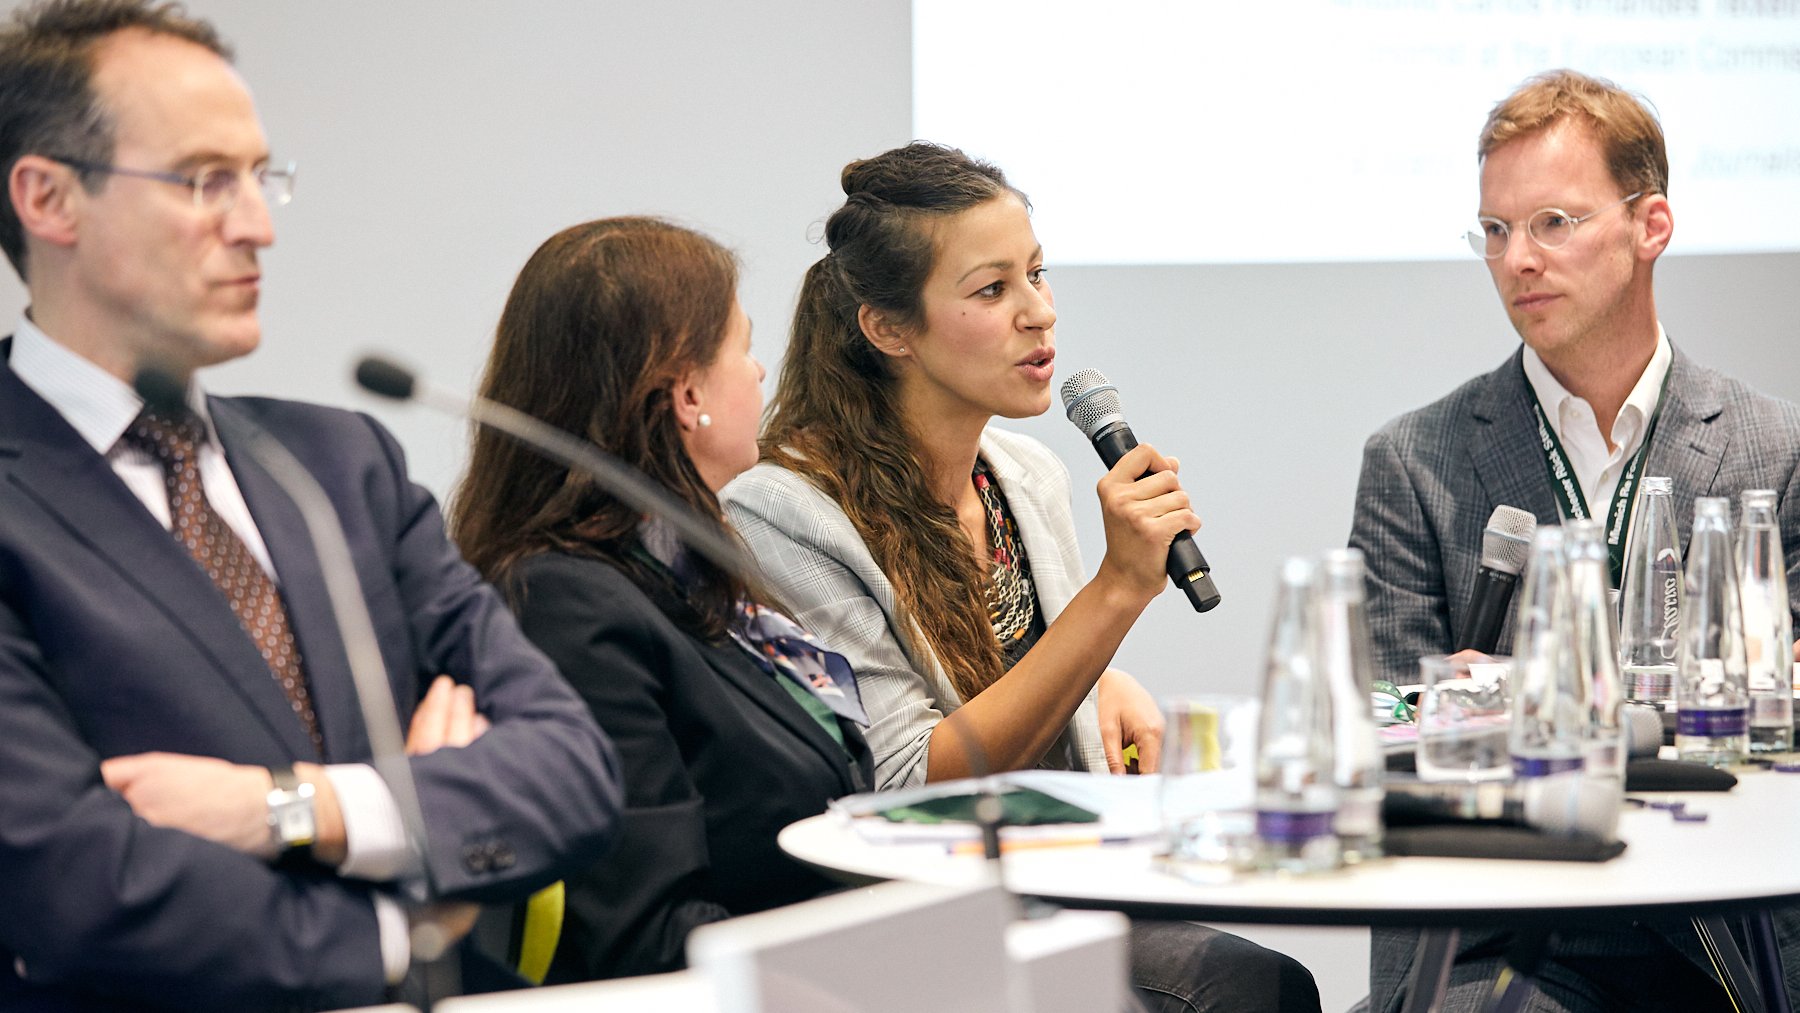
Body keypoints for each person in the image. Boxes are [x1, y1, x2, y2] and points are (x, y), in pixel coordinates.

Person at [0, 1, 622, 1007]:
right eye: (205, 180)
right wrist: (408, 919)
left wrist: (296, 806)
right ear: (49, 199)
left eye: (260, 175)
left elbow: (572, 767)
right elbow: (75, 885)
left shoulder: (337, 462)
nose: (259, 225)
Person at [723, 141, 1321, 1013]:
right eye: (992, 289)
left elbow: (1027, 690)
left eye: (1038, 275)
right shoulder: (788, 514)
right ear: (888, 329)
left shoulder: (1025, 475)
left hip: (1064, 888)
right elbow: (911, 781)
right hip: (914, 925)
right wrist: (1116, 593)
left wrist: (1101, 680)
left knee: (1266, 975)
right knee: (1239, 988)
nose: (1039, 313)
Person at [1350, 69, 1800, 1011]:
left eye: (1554, 222)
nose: (1518, 259)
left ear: (1651, 227)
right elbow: (1383, 722)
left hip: (1724, 925)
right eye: (1497, 230)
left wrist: (1531, 699)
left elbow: (1781, 714)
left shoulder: (1776, 452)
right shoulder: (1415, 459)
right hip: (1500, 923)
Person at [449, 216, 874, 981]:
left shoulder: (679, 570)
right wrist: (877, 970)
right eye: (742, 348)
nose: (759, 374)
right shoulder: (565, 607)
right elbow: (645, 938)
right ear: (686, 393)